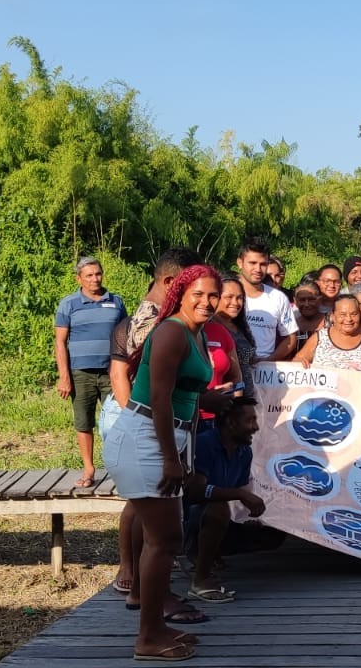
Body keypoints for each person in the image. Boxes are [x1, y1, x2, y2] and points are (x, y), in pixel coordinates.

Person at [103, 264, 231, 662]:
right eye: (199, 294)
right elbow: (159, 399)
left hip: (166, 436)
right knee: (164, 541)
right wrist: (170, 459)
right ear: (179, 292)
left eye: (214, 295)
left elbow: (184, 398)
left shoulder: (196, 332)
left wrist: (191, 440)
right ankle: (148, 637)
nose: (207, 303)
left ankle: (155, 625)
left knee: (163, 539)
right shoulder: (173, 330)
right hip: (145, 437)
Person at [101, 248, 204, 625]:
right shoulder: (159, 324)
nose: (206, 301)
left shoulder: (184, 325)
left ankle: (149, 599)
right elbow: (150, 392)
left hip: (158, 430)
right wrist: (162, 448)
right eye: (195, 290)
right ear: (172, 284)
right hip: (143, 426)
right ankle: (147, 612)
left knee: (157, 528)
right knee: (155, 529)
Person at [182, 396, 267, 604]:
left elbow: (240, 489)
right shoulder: (204, 444)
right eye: (250, 421)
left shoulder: (244, 452)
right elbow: (195, 492)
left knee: (270, 533)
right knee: (217, 509)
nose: (255, 427)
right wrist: (240, 495)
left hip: (207, 517)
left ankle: (209, 556)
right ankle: (200, 579)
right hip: (180, 522)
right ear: (230, 423)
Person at [55, 256, 127, 489]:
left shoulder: (116, 302)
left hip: (112, 373)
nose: (95, 279)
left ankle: (119, 468)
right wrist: (64, 377)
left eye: (98, 274)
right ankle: (89, 468)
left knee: (117, 420)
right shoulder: (69, 304)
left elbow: (126, 337)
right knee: (84, 422)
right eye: (89, 275)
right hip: (81, 374)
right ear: (79, 278)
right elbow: (60, 342)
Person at [235, 237, 298, 362]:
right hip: (230, 368)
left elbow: (290, 338)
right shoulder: (225, 293)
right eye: (252, 263)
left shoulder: (278, 298)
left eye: (263, 264)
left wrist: (268, 360)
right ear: (240, 263)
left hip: (264, 374)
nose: (258, 269)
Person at [295, 294, 361, 373]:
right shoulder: (320, 338)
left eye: (354, 314)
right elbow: (297, 360)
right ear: (333, 315)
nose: (349, 319)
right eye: (343, 314)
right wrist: (299, 362)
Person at [216, 273, 259, 386]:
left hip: (247, 396)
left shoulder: (240, 326)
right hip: (226, 397)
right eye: (229, 297)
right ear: (216, 297)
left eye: (239, 298)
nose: (235, 303)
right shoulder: (210, 327)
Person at [290, 280, 326, 349]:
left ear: (320, 299)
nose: (307, 304)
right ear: (295, 301)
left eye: (311, 299)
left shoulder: (332, 323)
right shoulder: (290, 326)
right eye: (302, 300)